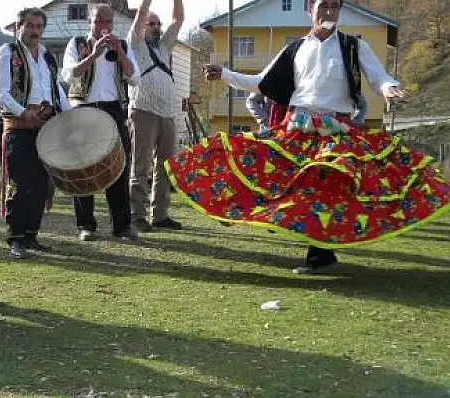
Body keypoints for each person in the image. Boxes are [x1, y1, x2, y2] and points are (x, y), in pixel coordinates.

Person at [167, 0, 450, 273]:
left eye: (334, 6)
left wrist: (389, 89)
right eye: (323, 5)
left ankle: (320, 253)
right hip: (298, 130)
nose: (329, 11)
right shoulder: (295, 49)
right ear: (309, 9)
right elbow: (261, 84)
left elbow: (378, 77)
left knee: (326, 188)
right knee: (268, 173)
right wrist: (224, 74)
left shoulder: (354, 46)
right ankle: (315, 249)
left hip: (336, 131)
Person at [0, 7, 69, 259]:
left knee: (40, 184)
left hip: (46, 125)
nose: (35, 31)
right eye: (30, 26)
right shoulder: (6, 53)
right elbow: (0, 93)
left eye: (38, 27)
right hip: (19, 126)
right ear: (18, 27)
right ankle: (16, 237)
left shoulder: (47, 58)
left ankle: (31, 236)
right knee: (21, 182)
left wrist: (69, 115)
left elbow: (56, 90)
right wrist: (23, 112)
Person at [62, 3, 141, 242]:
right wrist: (94, 55)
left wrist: (121, 53)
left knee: (119, 167)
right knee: (83, 168)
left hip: (113, 109)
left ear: (112, 24)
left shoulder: (122, 45)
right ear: (89, 22)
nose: (103, 27)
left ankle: (122, 226)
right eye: (98, 21)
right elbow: (68, 75)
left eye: (107, 22)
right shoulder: (77, 44)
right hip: (83, 109)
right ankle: (86, 225)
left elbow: (134, 77)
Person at [126, 0, 184, 233]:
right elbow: (140, 14)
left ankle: (159, 215)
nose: (157, 28)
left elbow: (178, 20)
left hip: (167, 113)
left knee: (166, 166)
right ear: (141, 27)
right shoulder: (136, 44)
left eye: (158, 24)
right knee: (141, 166)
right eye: (152, 24)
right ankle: (137, 216)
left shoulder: (164, 47)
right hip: (143, 110)